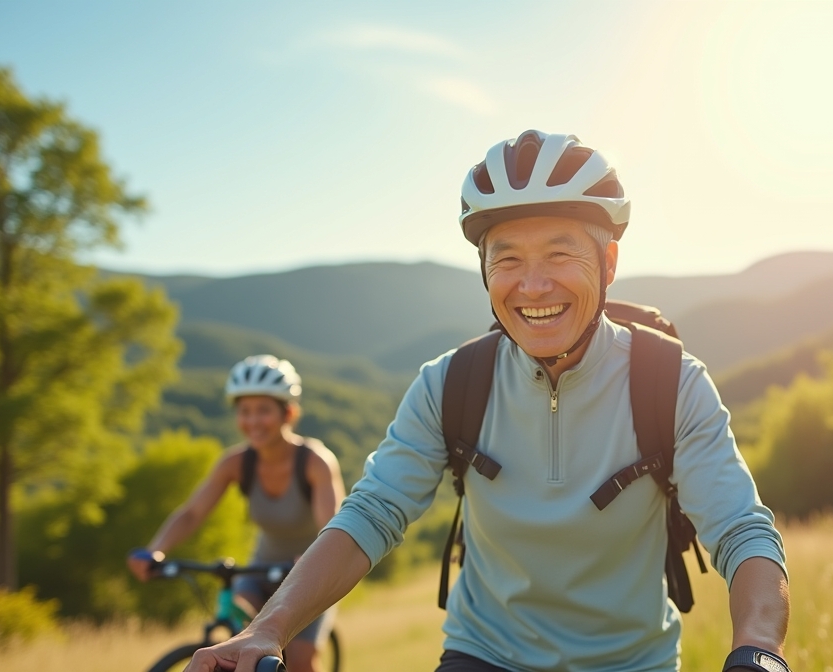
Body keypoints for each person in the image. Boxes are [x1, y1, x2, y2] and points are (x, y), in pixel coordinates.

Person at [184, 131, 791, 672]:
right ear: (483, 268)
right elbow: (370, 515)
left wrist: (758, 649)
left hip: (631, 662)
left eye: (560, 253)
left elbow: (739, 528)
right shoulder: (450, 384)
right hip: (485, 654)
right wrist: (267, 629)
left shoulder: (671, 382)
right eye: (507, 258)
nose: (533, 285)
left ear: (608, 260)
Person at [128, 354, 345, 672]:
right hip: (259, 572)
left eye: (264, 410)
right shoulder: (235, 463)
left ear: (289, 412)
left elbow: (333, 526)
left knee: (300, 659)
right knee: (237, 645)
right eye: (245, 411)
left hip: (309, 571)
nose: (253, 421)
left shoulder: (315, 462)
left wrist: (312, 557)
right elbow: (191, 513)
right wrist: (155, 550)